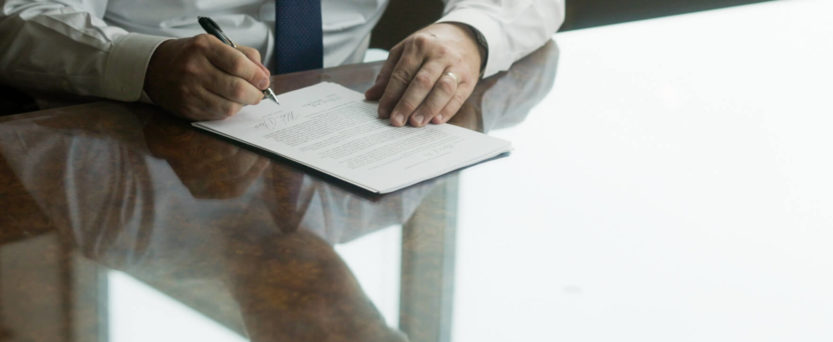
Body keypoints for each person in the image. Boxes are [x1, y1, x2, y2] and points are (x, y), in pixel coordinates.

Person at [0, 0, 564, 125]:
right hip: (131, 121)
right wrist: (144, 64)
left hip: (346, 116)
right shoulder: (134, 238)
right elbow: (18, 16)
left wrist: (467, 33)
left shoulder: (374, 223)